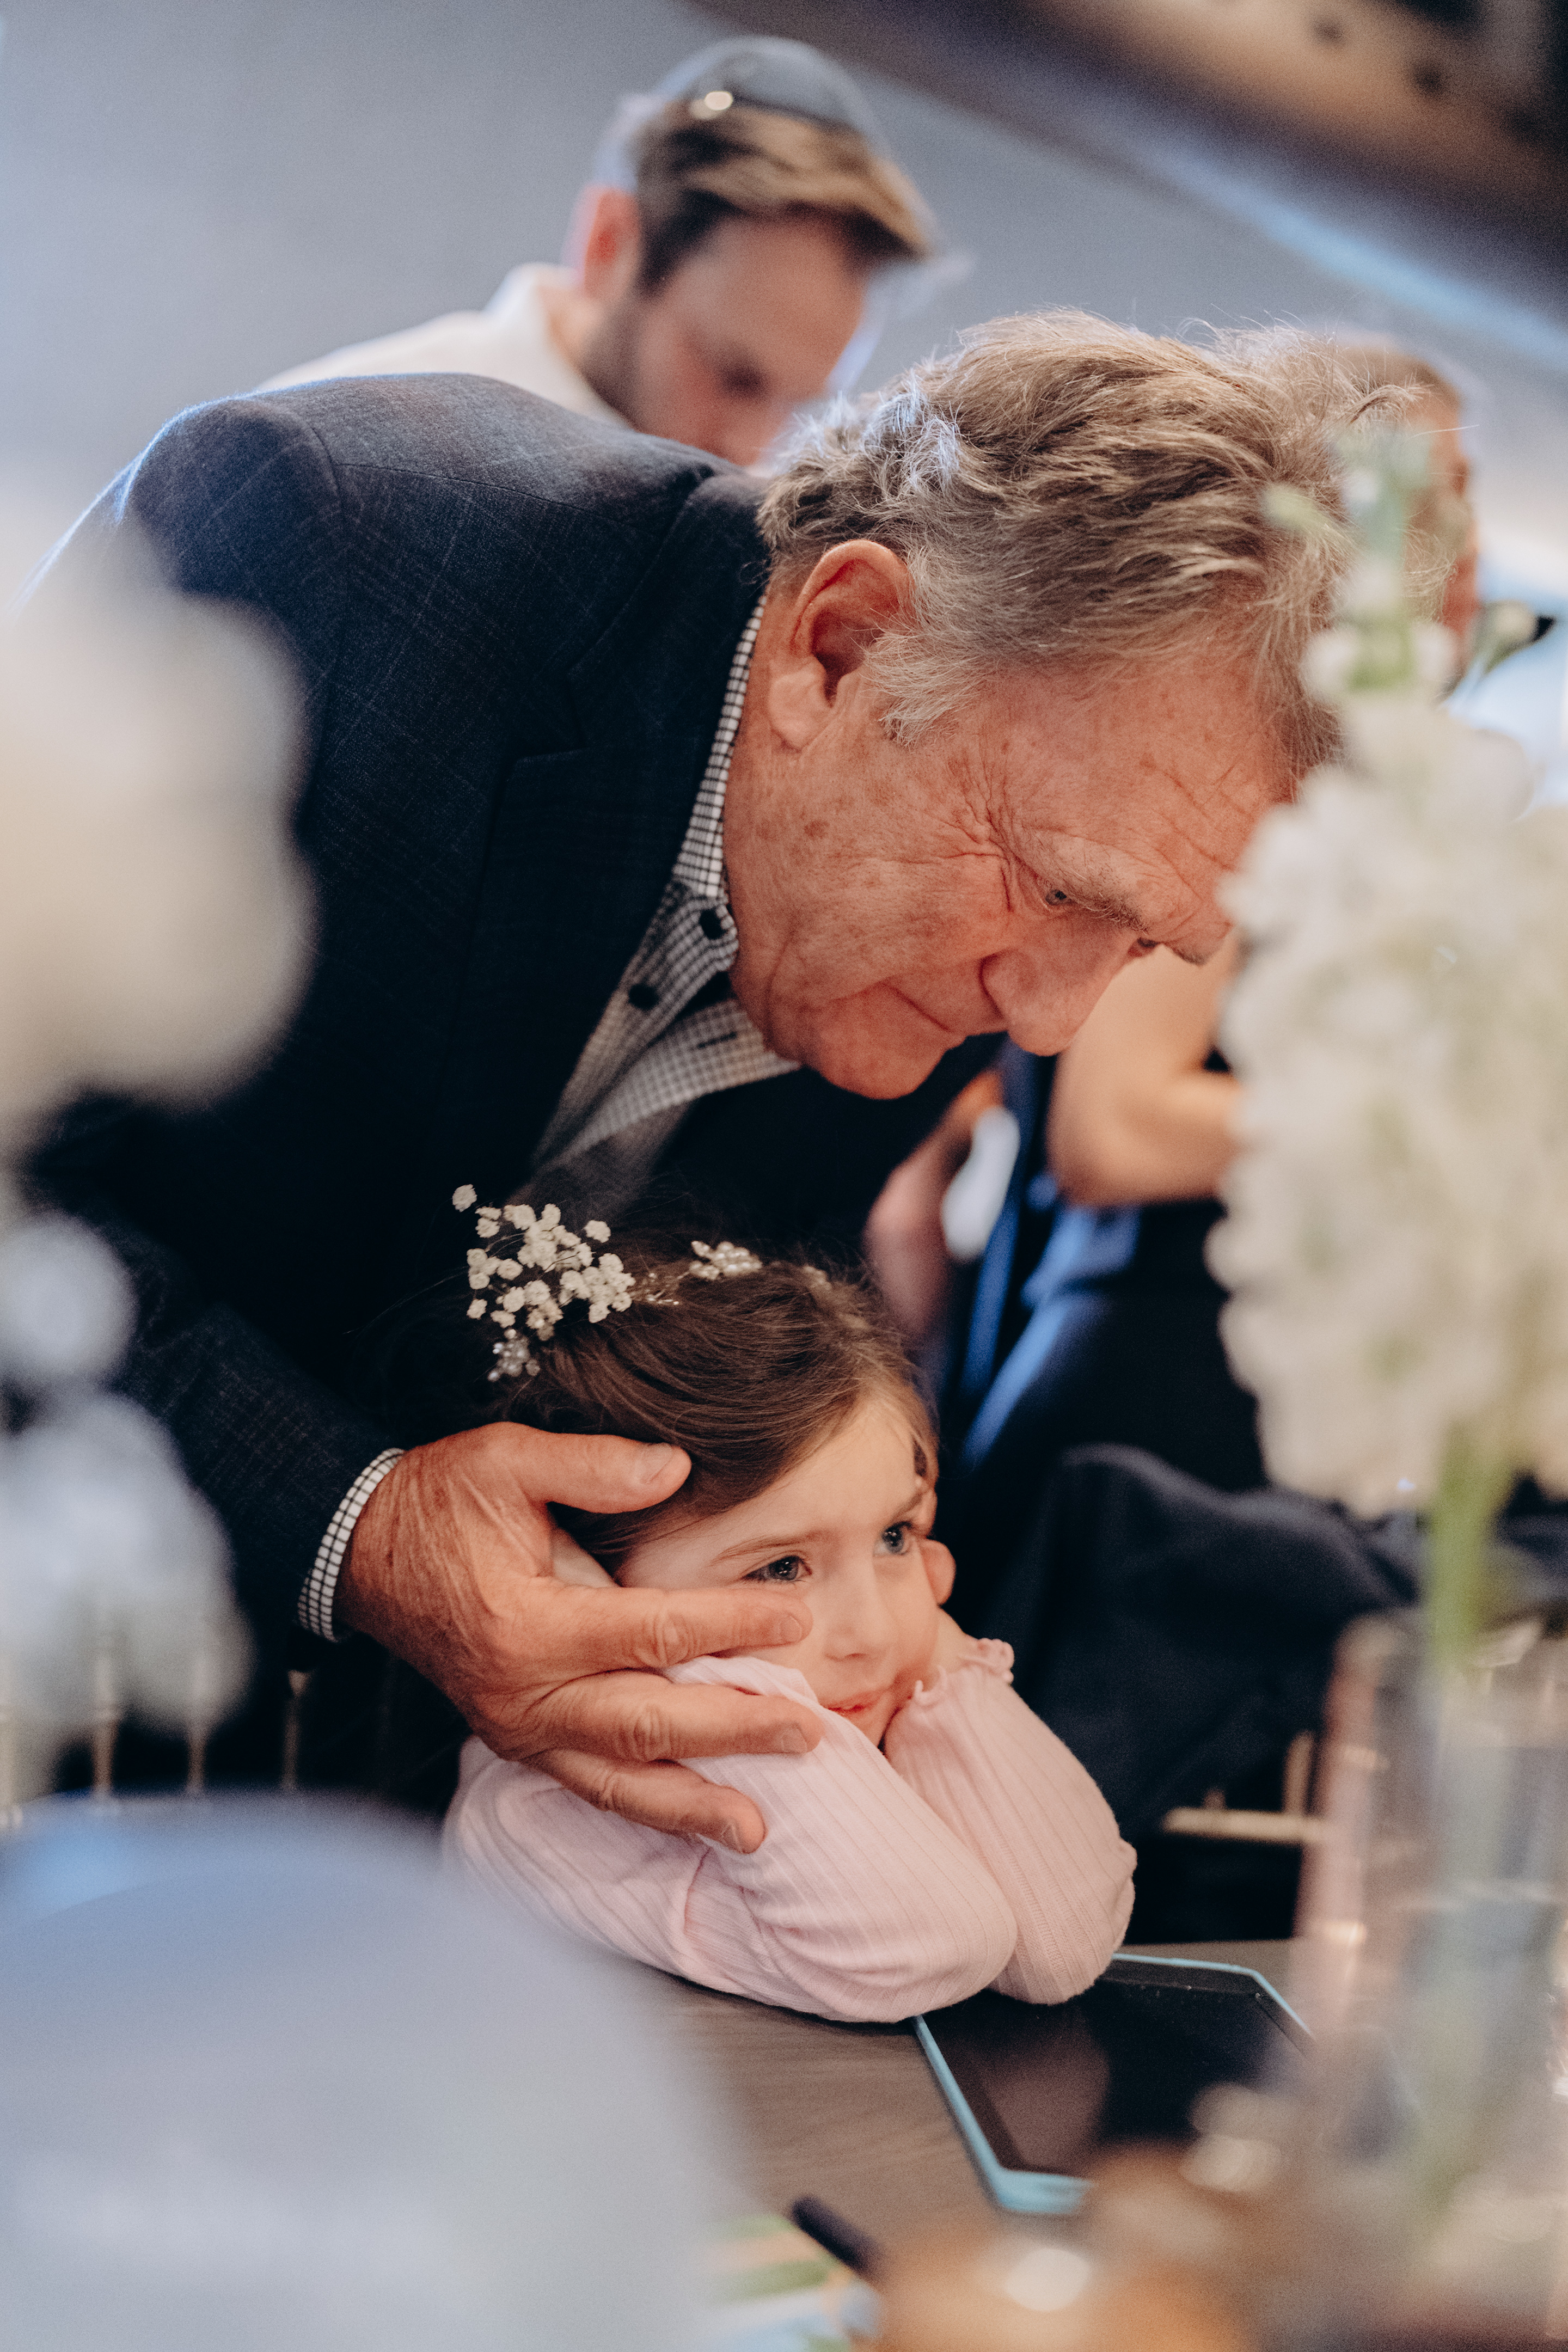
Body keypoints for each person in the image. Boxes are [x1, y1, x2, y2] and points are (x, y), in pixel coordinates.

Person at [31, 311, 1374, 1837]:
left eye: (1136, 945)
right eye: (1059, 886)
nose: (1050, 1019)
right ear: (840, 645)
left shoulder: (920, 929)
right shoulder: (329, 549)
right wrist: (361, 1521)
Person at [941, 345, 1483, 1613]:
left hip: (1278, 1406)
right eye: (1418, 496)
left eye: (1467, 498)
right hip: (1146, 1399)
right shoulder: (1233, 756)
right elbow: (1116, 1126)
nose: (1457, 546)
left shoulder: (1388, 796)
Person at [437, 1202, 1133, 2020]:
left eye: (894, 1537)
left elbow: (1064, 1941)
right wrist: (673, 1677)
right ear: (594, 1585)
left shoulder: (855, 1704)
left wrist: (943, 1658)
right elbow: (936, 1943)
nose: (872, 1633)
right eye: (780, 1568)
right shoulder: (533, 1815)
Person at [264, 38, 936, 467]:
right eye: (734, 375)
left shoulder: (741, 536)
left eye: (799, 406)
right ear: (609, 245)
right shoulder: (331, 447)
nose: (752, 449)